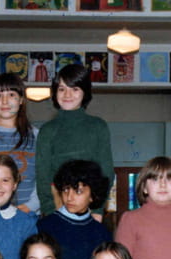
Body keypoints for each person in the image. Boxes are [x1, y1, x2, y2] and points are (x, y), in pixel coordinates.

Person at [36, 64, 114, 215]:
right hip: (57, 207)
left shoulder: (98, 126)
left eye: (75, 89)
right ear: (55, 92)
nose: (67, 94)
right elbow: (42, 177)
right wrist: (50, 212)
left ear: (85, 92)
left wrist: (97, 210)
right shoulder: (47, 130)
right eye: (61, 89)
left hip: (90, 208)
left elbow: (106, 173)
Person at [37, 159, 111, 259]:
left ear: (92, 196)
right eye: (66, 190)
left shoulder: (101, 233)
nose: (69, 197)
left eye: (78, 191)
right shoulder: (45, 226)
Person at [0, 73, 40, 215]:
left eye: (11, 95)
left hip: (29, 215)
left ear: (21, 100)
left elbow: (42, 177)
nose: (5, 101)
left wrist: (30, 206)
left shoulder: (36, 135)